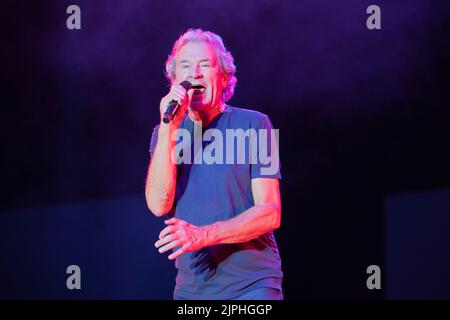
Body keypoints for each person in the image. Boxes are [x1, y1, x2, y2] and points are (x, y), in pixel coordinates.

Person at [145, 28, 283, 300]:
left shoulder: (254, 124)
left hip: (252, 285)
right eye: (185, 66)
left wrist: (203, 235)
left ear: (223, 77)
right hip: (192, 290)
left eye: (204, 65)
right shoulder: (164, 134)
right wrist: (167, 131)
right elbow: (158, 204)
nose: (194, 73)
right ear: (174, 80)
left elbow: (270, 212)